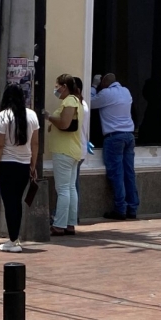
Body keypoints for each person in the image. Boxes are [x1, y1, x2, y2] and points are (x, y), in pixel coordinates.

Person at [0, 84, 39, 253]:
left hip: (6, 165)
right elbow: (35, 143)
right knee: (17, 202)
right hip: (24, 165)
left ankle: (14, 240)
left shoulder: (4, 116)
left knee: (9, 203)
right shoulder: (31, 115)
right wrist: (33, 165)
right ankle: (15, 239)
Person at [91, 73, 138, 220]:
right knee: (129, 173)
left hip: (114, 138)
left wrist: (93, 86)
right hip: (129, 136)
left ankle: (120, 209)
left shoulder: (105, 93)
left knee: (117, 174)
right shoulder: (126, 91)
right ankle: (132, 208)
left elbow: (90, 103)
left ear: (104, 83)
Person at [44, 74, 83, 236]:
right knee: (70, 188)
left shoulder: (70, 101)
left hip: (64, 151)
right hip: (71, 150)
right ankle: (70, 224)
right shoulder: (76, 101)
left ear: (64, 86)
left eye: (57, 86)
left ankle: (59, 225)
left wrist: (49, 117)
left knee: (63, 189)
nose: (56, 89)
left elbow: (64, 124)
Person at [73, 77, 90, 212]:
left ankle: (70, 215)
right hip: (79, 147)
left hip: (76, 148)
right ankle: (73, 214)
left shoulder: (78, 106)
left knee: (70, 186)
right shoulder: (82, 104)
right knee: (73, 184)